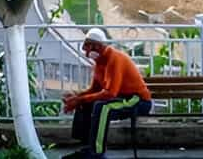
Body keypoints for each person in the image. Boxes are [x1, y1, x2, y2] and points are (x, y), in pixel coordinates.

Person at [62, 28, 152, 159]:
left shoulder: (114, 58)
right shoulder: (99, 63)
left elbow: (110, 93)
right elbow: (94, 90)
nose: (86, 52)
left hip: (137, 100)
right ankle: (88, 146)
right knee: (87, 104)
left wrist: (80, 99)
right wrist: (77, 97)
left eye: (87, 47)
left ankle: (96, 153)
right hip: (120, 98)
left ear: (96, 46)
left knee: (103, 107)